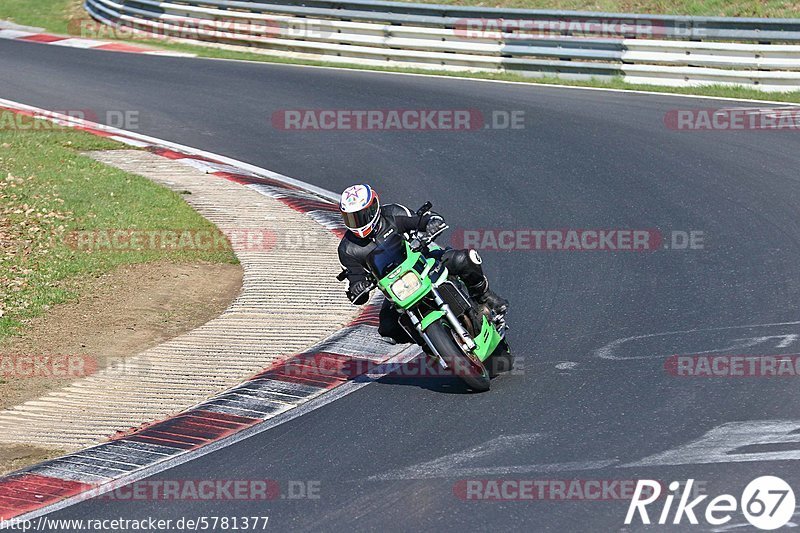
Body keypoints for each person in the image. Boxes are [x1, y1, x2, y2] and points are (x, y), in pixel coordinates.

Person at [336, 183, 508, 344]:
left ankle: (484, 297)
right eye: (350, 218)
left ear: (373, 207)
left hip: (425, 262)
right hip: (397, 289)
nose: (356, 223)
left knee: (463, 259)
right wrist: (358, 287)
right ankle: (432, 344)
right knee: (388, 328)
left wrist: (432, 223)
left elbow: (420, 220)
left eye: (360, 216)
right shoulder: (348, 249)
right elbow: (355, 277)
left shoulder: (393, 213)